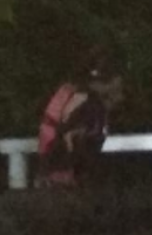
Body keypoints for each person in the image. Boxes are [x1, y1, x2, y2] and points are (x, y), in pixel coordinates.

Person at [36, 50, 125, 188]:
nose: (121, 97)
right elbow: (69, 134)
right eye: (118, 89)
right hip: (63, 171)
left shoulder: (77, 94)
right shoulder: (88, 102)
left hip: (54, 163)